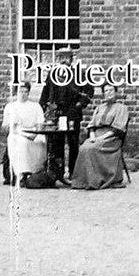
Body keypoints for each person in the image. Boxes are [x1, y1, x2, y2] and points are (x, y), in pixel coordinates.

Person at [38, 47, 93, 180]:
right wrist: (44, 109)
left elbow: (89, 92)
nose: (63, 61)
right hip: (57, 114)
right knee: (57, 144)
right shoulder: (52, 74)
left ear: (71, 59)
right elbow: (46, 93)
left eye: (66, 58)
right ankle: (58, 173)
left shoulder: (79, 74)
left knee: (73, 143)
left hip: (73, 113)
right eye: (60, 58)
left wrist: (79, 105)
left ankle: (74, 173)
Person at [71, 83, 130, 190]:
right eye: (106, 91)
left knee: (91, 148)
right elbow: (92, 126)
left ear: (116, 92)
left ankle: (98, 179)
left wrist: (100, 138)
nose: (109, 93)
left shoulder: (122, 108)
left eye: (111, 90)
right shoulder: (99, 107)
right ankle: (82, 181)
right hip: (96, 135)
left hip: (112, 138)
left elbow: (117, 129)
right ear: (103, 94)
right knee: (83, 148)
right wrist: (93, 136)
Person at [2, 81, 47, 186]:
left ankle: (35, 171)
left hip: (33, 132)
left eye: (25, 91)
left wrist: (35, 133)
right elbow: (5, 127)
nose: (23, 94)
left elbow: (40, 124)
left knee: (40, 141)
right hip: (17, 132)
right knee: (20, 142)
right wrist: (12, 124)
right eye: (20, 91)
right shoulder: (10, 106)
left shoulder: (35, 106)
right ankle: (20, 173)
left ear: (28, 93)